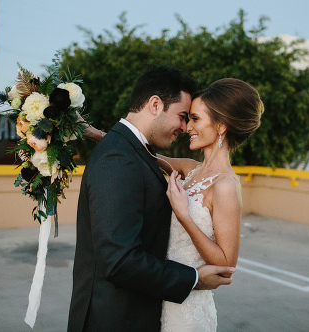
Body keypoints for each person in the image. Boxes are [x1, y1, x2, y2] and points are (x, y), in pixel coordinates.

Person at [82, 77, 265, 331]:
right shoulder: (190, 168)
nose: (187, 126)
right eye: (188, 117)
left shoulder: (226, 186)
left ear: (221, 126)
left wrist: (184, 215)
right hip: (160, 294)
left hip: (189, 307)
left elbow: (225, 266)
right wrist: (92, 132)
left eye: (195, 119)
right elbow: (139, 152)